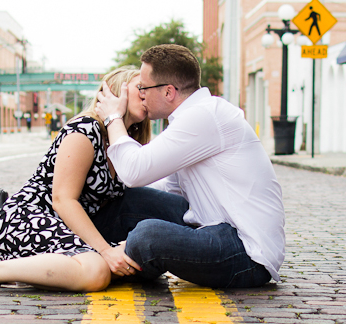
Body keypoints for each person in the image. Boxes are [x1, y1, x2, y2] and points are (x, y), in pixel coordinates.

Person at [0, 66, 187, 292]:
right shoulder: (86, 129)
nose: (146, 94)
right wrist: (106, 250)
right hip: (29, 216)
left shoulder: (125, 141)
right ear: (115, 91)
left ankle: (24, 268)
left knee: (132, 267)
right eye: (139, 87)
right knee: (96, 272)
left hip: (67, 226)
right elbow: (63, 200)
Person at [95, 44, 285, 289]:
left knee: (147, 235)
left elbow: (134, 171)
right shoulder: (191, 117)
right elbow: (167, 187)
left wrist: (113, 118)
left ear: (168, 92)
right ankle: (81, 248)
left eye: (143, 87)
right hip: (211, 225)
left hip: (246, 252)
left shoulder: (204, 116)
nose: (140, 94)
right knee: (128, 200)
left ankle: (119, 260)